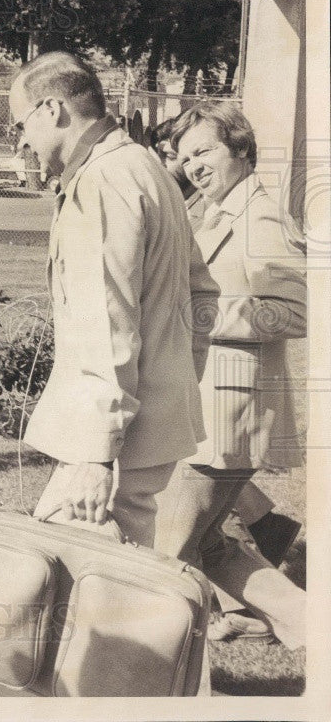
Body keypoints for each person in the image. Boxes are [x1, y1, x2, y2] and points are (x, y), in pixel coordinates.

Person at [11, 52, 219, 548]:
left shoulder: (103, 178)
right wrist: (172, 378)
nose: (21, 141)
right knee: (111, 589)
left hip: (113, 443)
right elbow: (203, 294)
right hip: (146, 427)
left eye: (20, 124)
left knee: (69, 587)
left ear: (52, 109)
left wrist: (96, 456)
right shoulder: (144, 164)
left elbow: (107, 324)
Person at [154, 102, 307, 651]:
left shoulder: (260, 217)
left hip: (228, 416)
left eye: (205, 151)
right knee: (212, 547)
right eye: (185, 156)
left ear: (241, 149)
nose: (192, 165)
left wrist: (195, 315)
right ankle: (313, 623)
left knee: (164, 552)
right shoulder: (213, 212)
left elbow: (297, 310)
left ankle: (148, 666)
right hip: (205, 410)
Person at [150, 116, 205, 231]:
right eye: (158, 155)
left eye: (170, 156)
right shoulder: (157, 204)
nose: (161, 164)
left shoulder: (205, 215)